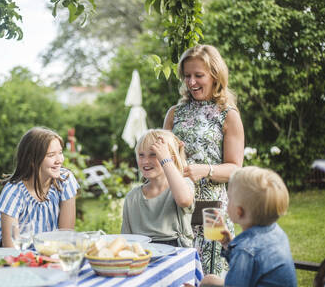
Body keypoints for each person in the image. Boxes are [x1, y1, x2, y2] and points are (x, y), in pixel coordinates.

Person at [163, 44, 244, 274]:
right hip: (176, 206)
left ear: (215, 76)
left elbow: (236, 169)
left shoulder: (228, 114)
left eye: (198, 75)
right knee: (179, 271)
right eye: (187, 76)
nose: (191, 82)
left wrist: (206, 170)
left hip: (212, 210)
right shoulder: (174, 113)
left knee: (212, 271)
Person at [197, 166, 297, 287]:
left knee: (207, 282)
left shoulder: (245, 251)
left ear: (239, 212)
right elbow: (254, 266)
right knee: (209, 280)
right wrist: (228, 244)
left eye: (229, 199)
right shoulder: (276, 232)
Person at [0, 127, 80, 247]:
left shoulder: (65, 180)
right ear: (32, 160)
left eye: (60, 153)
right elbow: (11, 249)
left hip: (50, 253)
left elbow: (65, 237)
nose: (59, 160)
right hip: (15, 257)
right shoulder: (13, 192)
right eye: (51, 155)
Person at [121, 129, 195, 247]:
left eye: (154, 154)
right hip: (142, 253)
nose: (145, 161)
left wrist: (165, 159)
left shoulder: (182, 185)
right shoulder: (132, 197)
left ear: (171, 158)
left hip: (176, 254)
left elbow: (184, 200)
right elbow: (126, 239)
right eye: (141, 155)